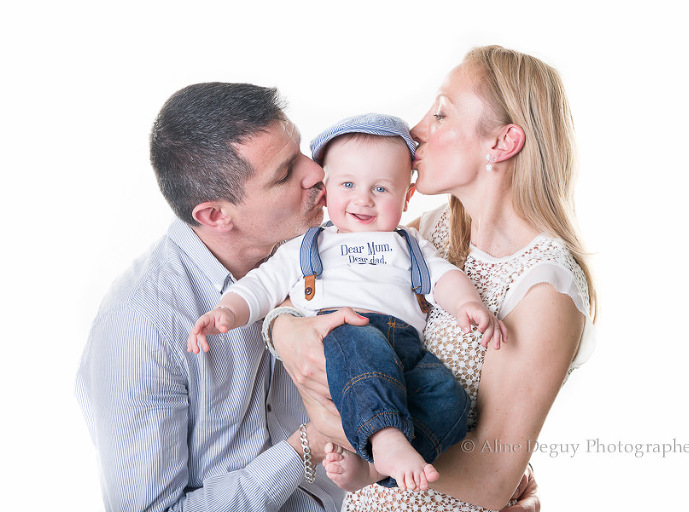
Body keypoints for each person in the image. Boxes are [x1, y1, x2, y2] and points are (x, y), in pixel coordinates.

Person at [268, 45, 596, 512]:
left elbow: (490, 477)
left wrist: (359, 435)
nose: (414, 131)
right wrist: (285, 330)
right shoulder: (429, 232)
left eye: (441, 114)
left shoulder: (544, 286)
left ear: (502, 143)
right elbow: (309, 278)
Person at [186, 113, 507, 492]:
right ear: (327, 189)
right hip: (344, 333)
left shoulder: (410, 244)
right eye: (348, 184)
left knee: (448, 398)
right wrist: (228, 310)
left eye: (382, 189)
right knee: (362, 348)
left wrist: (468, 304)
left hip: (405, 347)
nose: (363, 200)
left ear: (407, 197)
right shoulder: (308, 245)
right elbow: (262, 285)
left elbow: (444, 278)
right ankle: (385, 440)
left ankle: (374, 470)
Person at [74, 82, 356, 512]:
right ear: (215, 216)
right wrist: (308, 445)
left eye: (301, 151)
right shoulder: (142, 325)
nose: (316, 173)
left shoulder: (307, 246)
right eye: (284, 173)